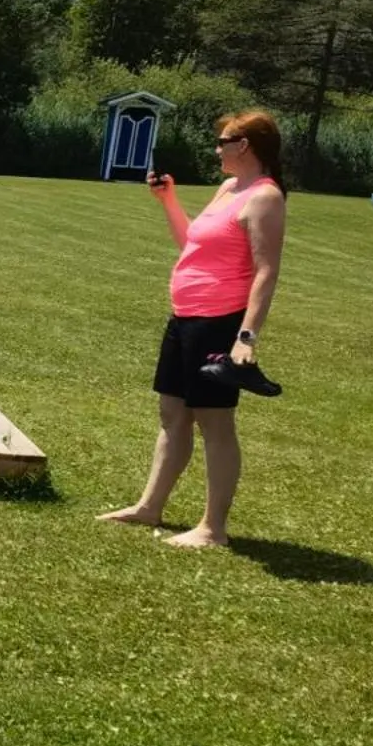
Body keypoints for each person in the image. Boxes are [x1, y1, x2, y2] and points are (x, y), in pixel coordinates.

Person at [100, 110, 288, 549]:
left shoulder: (264, 198)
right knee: (172, 415)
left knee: (214, 422)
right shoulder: (228, 189)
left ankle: (212, 528)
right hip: (184, 316)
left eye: (223, 141)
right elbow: (191, 244)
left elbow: (266, 272)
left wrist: (246, 338)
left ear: (244, 146)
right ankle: (149, 507)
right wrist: (168, 200)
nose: (217, 148)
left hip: (220, 322)